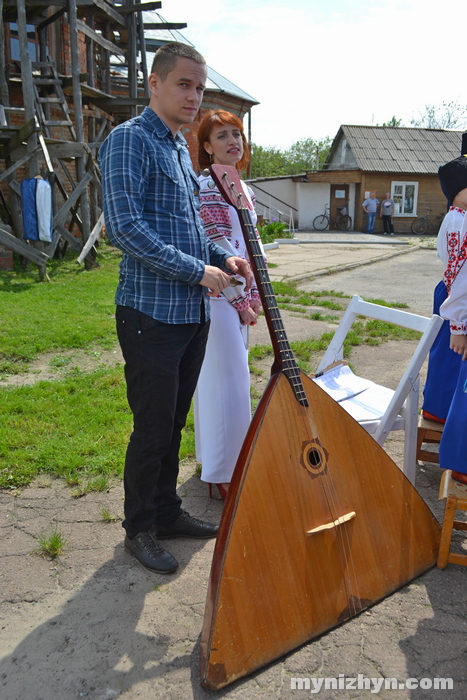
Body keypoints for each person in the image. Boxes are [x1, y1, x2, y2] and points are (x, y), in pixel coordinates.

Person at [98, 42, 253, 574]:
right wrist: (198, 271)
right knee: (152, 425)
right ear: (155, 85)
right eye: (184, 84)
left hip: (191, 314)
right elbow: (125, 228)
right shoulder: (129, 141)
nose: (194, 96)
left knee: (173, 421)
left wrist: (223, 257)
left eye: (199, 87)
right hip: (150, 314)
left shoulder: (177, 148)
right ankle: (139, 527)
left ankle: (166, 512)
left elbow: (189, 233)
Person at [193, 110, 264, 501]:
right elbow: (219, 245)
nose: (233, 141)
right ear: (206, 146)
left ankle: (213, 461)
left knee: (219, 382)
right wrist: (241, 300)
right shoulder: (209, 186)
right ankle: (227, 473)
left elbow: (253, 247)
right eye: (222, 136)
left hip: (239, 299)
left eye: (237, 134)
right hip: (219, 296)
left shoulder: (240, 185)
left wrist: (253, 298)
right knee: (229, 384)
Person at [432, 136, 467, 484]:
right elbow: (460, 267)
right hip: (458, 295)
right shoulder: (463, 219)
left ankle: (436, 409)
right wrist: (459, 320)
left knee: (446, 360)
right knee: (458, 367)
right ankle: (460, 455)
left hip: (451, 291)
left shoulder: (454, 217)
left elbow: (447, 260)